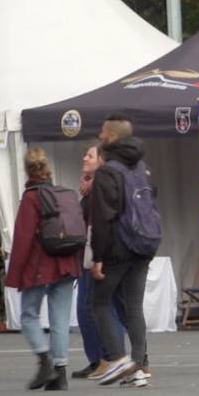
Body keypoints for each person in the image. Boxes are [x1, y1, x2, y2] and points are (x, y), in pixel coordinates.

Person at [87, 114, 156, 387]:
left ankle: (117, 359)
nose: (100, 134)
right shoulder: (141, 165)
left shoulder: (108, 171)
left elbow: (103, 217)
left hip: (119, 245)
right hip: (145, 241)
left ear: (113, 136)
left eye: (104, 131)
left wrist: (98, 256)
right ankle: (140, 364)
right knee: (134, 305)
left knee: (100, 302)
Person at [5, 148, 83, 390]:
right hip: (67, 262)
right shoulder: (64, 194)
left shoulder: (31, 198)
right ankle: (60, 374)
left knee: (29, 315)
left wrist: (15, 273)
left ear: (27, 170)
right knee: (60, 319)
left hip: (41, 264)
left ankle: (44, 359)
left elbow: (23, 238)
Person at [74, 145, 127, 380]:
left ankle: (109, 358)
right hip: (92, 252)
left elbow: (100, 223)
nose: (84, 158)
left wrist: (99, 257)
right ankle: (99, 359)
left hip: (99, 253)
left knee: (92, 308)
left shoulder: (100, 188)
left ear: (102, 162)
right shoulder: (89, 188)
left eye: (90, 155)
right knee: (92, 308)